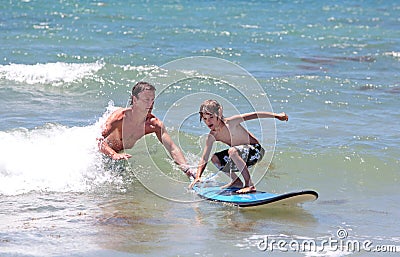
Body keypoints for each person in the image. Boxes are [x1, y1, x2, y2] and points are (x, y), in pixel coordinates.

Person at [97, 81, 196, 178]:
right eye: (146, 100)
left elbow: (172, 148)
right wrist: (113, 154)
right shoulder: (119, 118)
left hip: (121, 156)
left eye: (152, 100)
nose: (150, 104)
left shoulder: (154, 125)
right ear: (135, 100)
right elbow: (99, 140)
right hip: (102, 155)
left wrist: (187, 169)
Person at [189, 100, 288, 193]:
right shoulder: (212, 136)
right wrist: (198, 177)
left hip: (256, 151)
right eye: (205, 119)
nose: (208, 122)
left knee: (232, 151)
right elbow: (204, 158)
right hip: (240, 157)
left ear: (218, 115)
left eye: (211, 117)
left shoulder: (231, 122)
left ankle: (249, 184)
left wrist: (277, 116)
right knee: (214, 158)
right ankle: (236, 181)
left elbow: (254, 115)